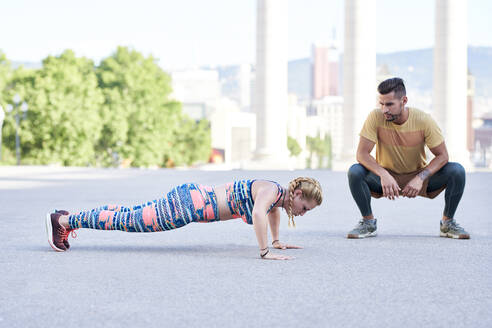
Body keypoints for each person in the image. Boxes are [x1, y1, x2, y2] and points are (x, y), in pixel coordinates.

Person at [46, 177, 323, 260]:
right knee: (129, 220)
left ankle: (68, 218)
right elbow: (258, 212)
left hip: (191, 198)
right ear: (297, 193)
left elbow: (272, 211)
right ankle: (64, 222)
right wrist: (264, 252)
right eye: (305, 207)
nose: (302, 213)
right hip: (189, 206)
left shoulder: (276, 195)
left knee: (128, 214)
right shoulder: (272, 190)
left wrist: (276, 241)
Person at [346, 77, 469, 239]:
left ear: (404, 101)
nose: (384, 110)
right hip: (386, 179)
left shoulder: (424, 120)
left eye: (389, 104)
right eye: (381, 104)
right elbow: (362, 154)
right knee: (355, 171)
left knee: (457, 170)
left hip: (419, 178)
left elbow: (443, 156)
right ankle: (368, 223)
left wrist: (420, 177)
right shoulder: (375, 117)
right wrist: (383, 174)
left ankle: (448, 224)